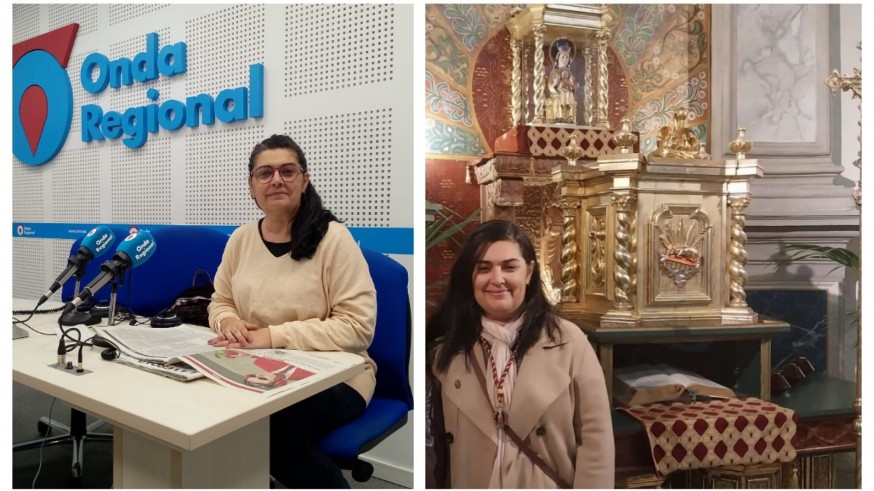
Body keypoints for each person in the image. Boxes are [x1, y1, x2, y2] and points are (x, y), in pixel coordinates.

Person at [207, 134, 377, 488]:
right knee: (213, 418)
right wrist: (229, 321)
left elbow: (357, 328)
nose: (276, 180)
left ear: (305, 180)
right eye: (264, 173)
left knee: (273, 435)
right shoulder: (240, 239)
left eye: (287, 170)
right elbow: (219, 300)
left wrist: (273, 336)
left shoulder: (334, 239)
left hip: (337, 377)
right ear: (252, 186)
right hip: (255, 369)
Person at [426, 220, 614, 488]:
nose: (497, 279)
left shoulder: (569, 342)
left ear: (529, 272)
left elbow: (596, 441)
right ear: (470, 277)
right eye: (484, 268)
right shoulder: (445, 348)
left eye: (509, 266)